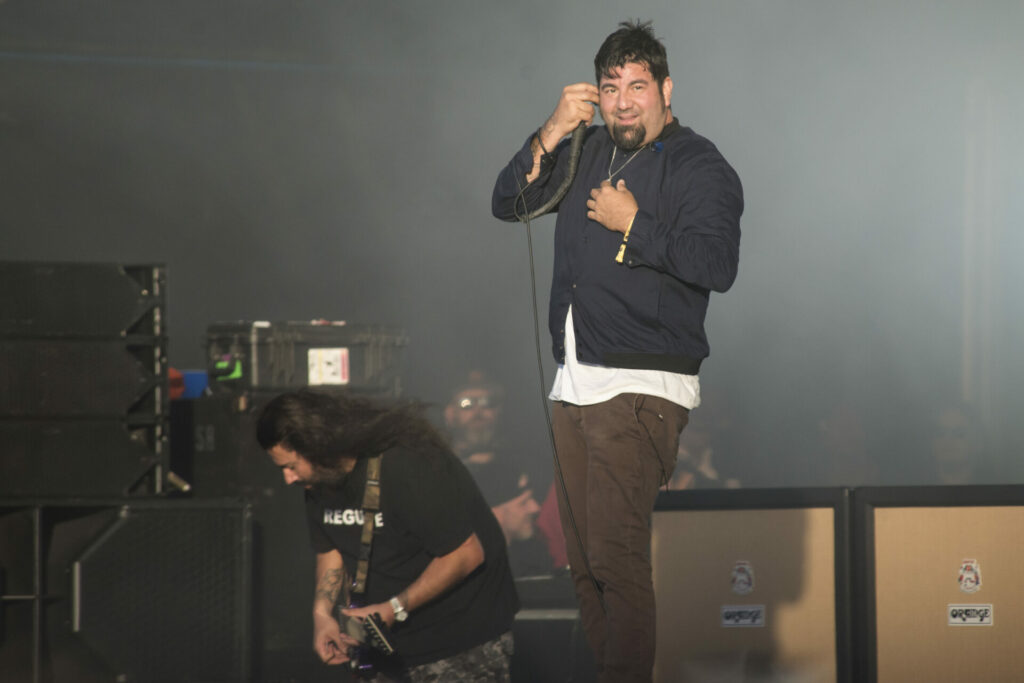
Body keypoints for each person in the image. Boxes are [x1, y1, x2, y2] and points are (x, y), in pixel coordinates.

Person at [491, 19, 743, 682]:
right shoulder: (587, 149)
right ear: (594, 94)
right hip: (575, 382)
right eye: (611, 87)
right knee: (585, 566)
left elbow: (716, 263)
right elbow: (507, 202)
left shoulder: (699, 164)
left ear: (665, 88)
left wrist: (635, 224)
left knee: (617, 556)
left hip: (642, 387)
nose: (624, 101)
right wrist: (550, 131)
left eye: (638, 86)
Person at [255, 389, 518, 682]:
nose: (288, 479)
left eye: (291, 466)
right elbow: (330, 549)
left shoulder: (406, 463)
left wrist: (393, 608)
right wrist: (322, 614)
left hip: (460, 644)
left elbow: (466, 553)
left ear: (319, 446)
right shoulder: (318, 483)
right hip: (388, 654)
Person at [465, 456, 556, 577]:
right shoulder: (482, 571)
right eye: (523, 503)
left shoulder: (535, 555)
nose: (535, 508)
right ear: (494, 512)